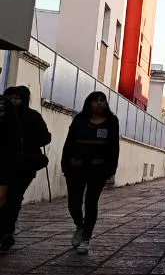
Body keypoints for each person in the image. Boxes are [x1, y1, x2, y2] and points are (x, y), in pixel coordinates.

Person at [61, 91, 120, 255]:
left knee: (91, 202)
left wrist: (111, 168)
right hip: (76, 168)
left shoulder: (111, 122)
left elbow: (114, 147)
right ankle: (80, 225)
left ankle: (86, 237)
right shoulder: (79, 120)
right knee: (74, 202)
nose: (99, 103)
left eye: (102, 100)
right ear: (89, 103)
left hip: (98, 169)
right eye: (96, 101)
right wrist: (66, 163)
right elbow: (69, 143)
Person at [0, 86, 52, 251]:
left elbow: (46, 137)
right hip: (4, 164)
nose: (13, 102)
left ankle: (7, 231)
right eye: (10, 98)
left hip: (24, 165)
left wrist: (24, 141)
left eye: (17, 98)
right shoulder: (3, 116)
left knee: (14, 198)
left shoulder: (32, 116)